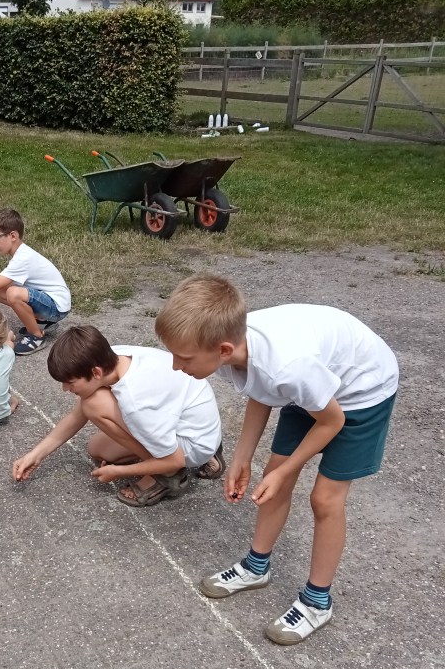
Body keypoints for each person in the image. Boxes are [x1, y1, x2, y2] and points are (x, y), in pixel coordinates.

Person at [155, 275, 399, 646]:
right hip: (314, 386)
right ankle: (257, 567)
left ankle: (317, 602)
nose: (175, 365)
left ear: (223, 349)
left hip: (362, 391)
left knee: (325, 499)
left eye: (183, 358)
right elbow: (262, 388)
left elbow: (331, 420)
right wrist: (243, 456)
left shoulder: (287, 366)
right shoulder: (235, 352)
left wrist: (288, 468)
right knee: (273, 478)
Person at [12, 325, 223, 506]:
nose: (65, 389)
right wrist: (36, 455)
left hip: (192, 443)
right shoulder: (113, 356)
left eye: (70, 382)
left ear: (95, 372)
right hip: (199, 422)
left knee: (94, 403)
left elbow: (174, 460)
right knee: (98, 448)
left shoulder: (135, 403)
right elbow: (77, 416)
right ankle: (200, 452)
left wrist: (119, 472)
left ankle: (166, 477)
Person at [0, 208, 71, 356]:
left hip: (57, 308)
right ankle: (42, 323)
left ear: (13, 236)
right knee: (1, 292)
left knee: (12, 293)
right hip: (52, 302)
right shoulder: (22, 254)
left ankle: (36, 336)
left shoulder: (23, 258)